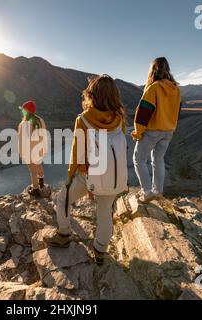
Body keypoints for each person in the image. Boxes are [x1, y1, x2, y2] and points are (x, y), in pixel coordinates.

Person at [45, 74, 127, 265]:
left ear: (92, 94)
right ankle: (100, 250)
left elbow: (77, 154)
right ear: (115, 95)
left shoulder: (83, 119)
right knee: (105, 211)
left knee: (62, 199)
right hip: (114, 177)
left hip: (89, 174)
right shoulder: (120, 118)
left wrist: (71, 177)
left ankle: (64, 234)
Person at [132, 57, 181, 203]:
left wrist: (137, 132)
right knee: (158, 159)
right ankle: (158, 192)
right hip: (168, 131)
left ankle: (146, 192)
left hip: (153, 130)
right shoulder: (176, 89)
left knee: (138, 159)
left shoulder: (153, 88)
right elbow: (177, 112)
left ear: (153, 69)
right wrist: (171, 126)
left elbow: (143, 112)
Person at [17, 100, 48, 198]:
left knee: (32, 170)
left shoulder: (25, 123)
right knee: (38, 164)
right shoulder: (40, 120)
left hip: (30, 150)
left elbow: (22, 140)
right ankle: (41, 182)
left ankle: (35, 190)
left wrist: (21, 152)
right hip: (39, 148)